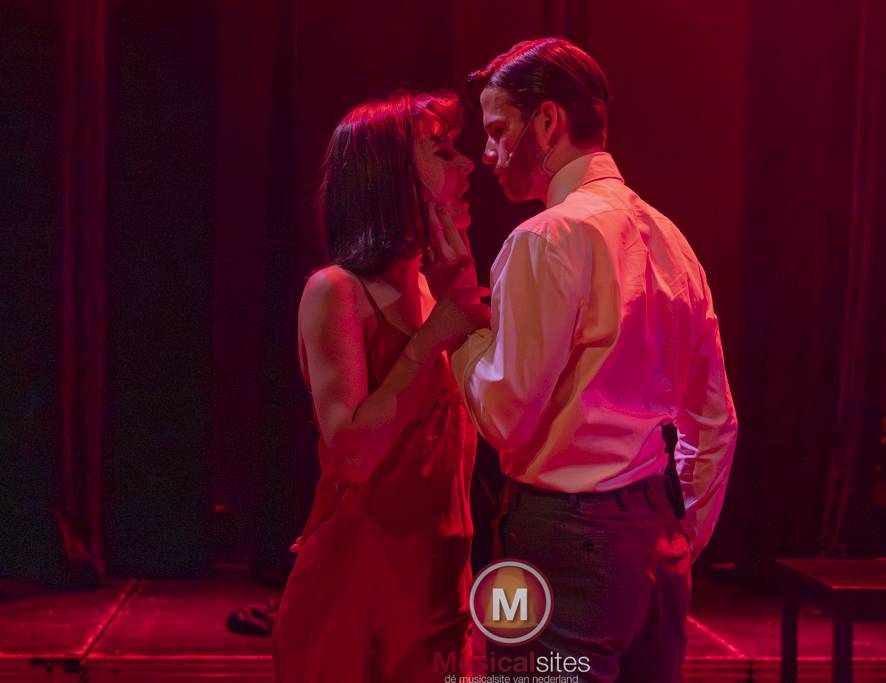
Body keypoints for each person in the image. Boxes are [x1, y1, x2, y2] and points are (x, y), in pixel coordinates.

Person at [448, 38, 739, 682]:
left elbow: (504, 417)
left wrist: (459, 331)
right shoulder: (672, 238)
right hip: (655, 538)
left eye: (497, 131)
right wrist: (677, 535)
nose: (488, 154)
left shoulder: (548, 237)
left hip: (563, 537)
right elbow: (714, 423)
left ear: (547, 121)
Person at [272, 89, 489, 683]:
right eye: (442, 152)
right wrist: (431, 340)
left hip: (440, 593)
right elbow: (352, 453)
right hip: (357, 597)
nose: (468, 163)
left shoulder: (436, 293)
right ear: (387, 178)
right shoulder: (337, 291)